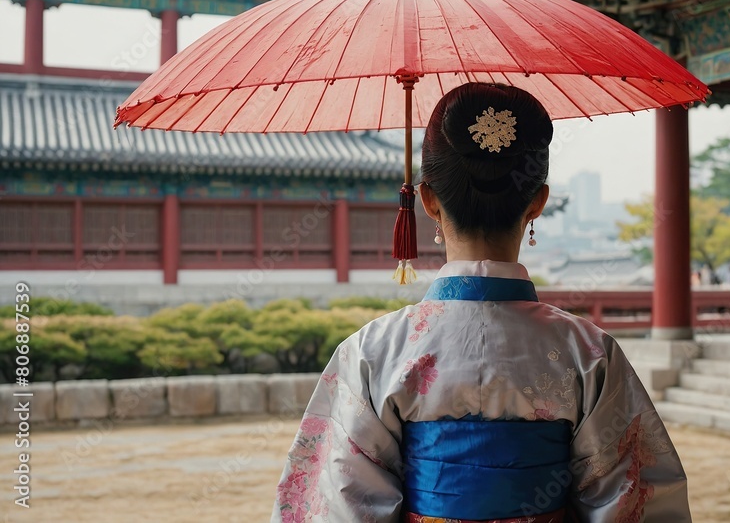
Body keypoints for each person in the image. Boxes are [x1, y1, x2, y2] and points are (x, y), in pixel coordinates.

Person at [271, 83, 691, 522]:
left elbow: (340, 506)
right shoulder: (589, 353)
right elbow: (634, 502)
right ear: (538, 202)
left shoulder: (373, 352)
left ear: (427, 201)